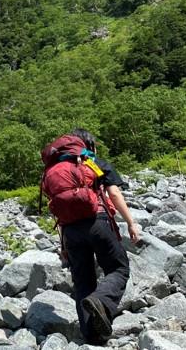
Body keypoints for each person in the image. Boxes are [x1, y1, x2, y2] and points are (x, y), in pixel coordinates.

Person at [40, 128, 140, 345]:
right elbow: (114, 193)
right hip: (98, 222)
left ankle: (91, 337)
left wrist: (63, 244)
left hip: (70, 231)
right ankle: (101, 302)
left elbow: (57, 209)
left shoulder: (53, 170)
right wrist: (131, 222)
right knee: (118, 268)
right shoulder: (92, 163)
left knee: (83, 282)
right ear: (89, 146)